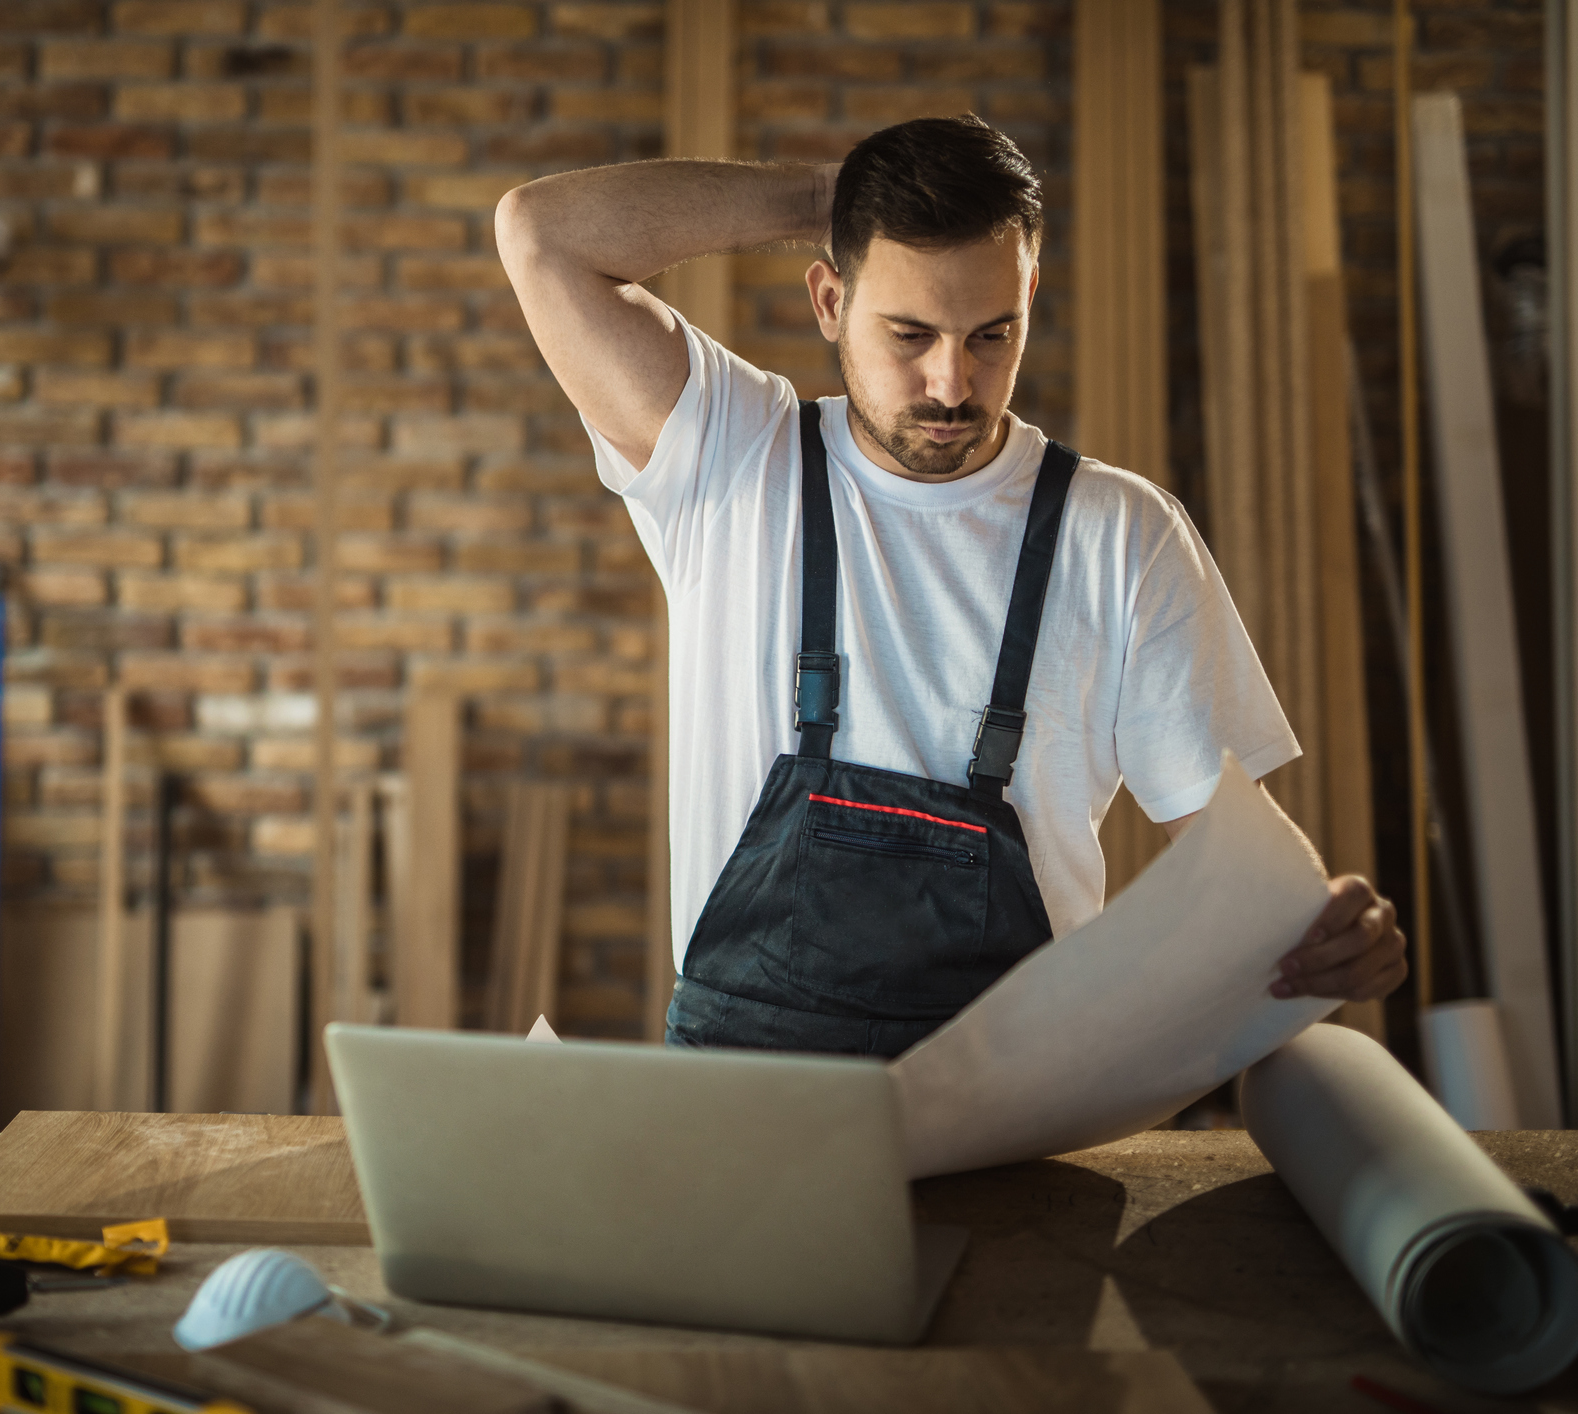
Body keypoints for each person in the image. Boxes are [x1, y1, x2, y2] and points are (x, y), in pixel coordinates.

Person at [496, 116, 1407, 1054]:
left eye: (990, 334)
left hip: (1008, 1108)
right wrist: (827, 196)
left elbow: (1226, 854)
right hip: (741, 1109)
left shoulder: (1118, 535)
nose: (950, 382)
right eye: (909, 332)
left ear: (1029, 298)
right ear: (828, 301)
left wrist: (1320, 935)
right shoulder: (729, 460)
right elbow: (541, 233)